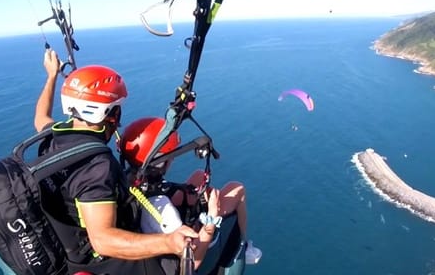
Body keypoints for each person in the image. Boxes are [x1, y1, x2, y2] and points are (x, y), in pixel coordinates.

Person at [33, 49, 198, 275]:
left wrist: (51, 76)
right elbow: (103, 240)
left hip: (67, 243)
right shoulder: (97, 167)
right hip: (99, 263)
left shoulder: (53, 138)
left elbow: (40, 118)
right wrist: (169, 242)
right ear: (110, 113)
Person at [118, 117, 263, 269]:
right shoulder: (164, 211)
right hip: (197, 253)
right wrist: (212, 216)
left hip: (152, 229)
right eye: (170, 156)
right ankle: (242, 247)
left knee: (198, 177)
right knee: (237, 189)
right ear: (159, 162)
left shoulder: (132, 182)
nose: (172, 159)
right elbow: (193, 262)